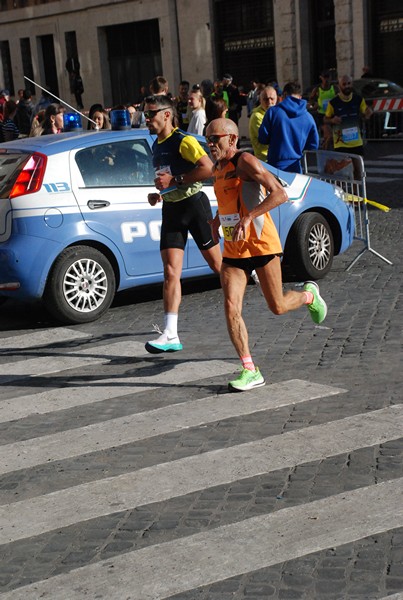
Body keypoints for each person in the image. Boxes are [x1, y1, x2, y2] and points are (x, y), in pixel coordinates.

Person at [205, 118, 327, 391]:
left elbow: (279, 194)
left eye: (215, 139)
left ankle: (309, 295)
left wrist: (249, 217)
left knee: (278, 306)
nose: (210, 144)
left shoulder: (244, 161)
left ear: (232, 139)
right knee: (230, 306)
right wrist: (216, 220)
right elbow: (226, 201)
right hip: (234, 249)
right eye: (207, 140)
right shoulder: (217, 168)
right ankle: (250, 369)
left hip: (262, 245)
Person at [143, 94, 221, 353]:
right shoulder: (157, 144)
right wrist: (160, 193)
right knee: (170, 272)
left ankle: (251, 282)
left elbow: (208, 168)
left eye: (151, 113)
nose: (147, 118)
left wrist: (174, 181)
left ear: (167, 114)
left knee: (218, 266)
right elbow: (166, 178)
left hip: (194, 206)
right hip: (172, 210)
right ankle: (170, 333)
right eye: (145, 113)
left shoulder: (184, 140)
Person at [258, 81, 319, 173]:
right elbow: (313, 145)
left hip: (275, 167)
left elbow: (262, 139)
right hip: (297, 167)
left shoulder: (272, 112)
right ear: (300, 97)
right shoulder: (308, 117)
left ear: (284, 94)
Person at [324, 74, 372, 157]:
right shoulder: (333, 102)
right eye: (344, 84)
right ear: (339, 86)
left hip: (356, 142)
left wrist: (368, 113)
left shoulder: (358, 99)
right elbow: (325, 119)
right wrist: (332, 120)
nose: (347, 86)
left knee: (359, 169)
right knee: (344, 169)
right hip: (341, 144)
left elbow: (365, 115)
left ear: (352, 84)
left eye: (349, 83)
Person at [309, 70, 338, 149]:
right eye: (324, 77)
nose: (326, 79)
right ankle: (325, 150)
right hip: (322, 116)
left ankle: (326, 148)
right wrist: (315, 105)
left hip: (333, 115)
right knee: (329, 135)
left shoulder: (334, 88)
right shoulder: (317, 89)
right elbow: (311, 100)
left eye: (328, 77)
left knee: (331, 138)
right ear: (321, 78)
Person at [248, 86, 277, 161]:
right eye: (266, 99)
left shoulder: (277, 113)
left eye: (272, 99)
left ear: (276, 99)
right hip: (265, 160)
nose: (269, 102)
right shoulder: (256, 116)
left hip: (276, 157)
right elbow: (269, 138)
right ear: (260, 101)